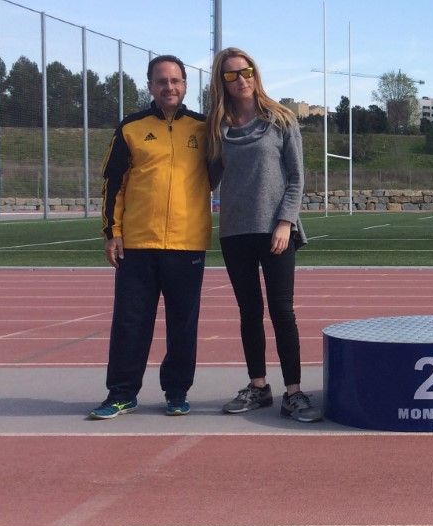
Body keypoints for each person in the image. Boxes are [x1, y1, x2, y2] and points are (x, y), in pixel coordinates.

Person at [88, 55, 211, 419]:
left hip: (187, 242)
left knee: (183, 325)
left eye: (175, 80)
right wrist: (113, 232)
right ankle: (122, 393)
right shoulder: (131, 127)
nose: (169, 87)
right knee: (129, 322)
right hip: (138, 244)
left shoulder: (204, 128)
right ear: (150, 86)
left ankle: (176, 391)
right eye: (161, 81)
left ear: (186, 85)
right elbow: (114, 183)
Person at [207, 46, 321, 423]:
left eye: (247, 71)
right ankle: (258, 387)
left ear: (256, 73)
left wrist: (285, 222)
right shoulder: (217, 128)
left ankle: (294, 392)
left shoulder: (280, 120)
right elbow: (207, 179)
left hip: (276, 231)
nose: (241, 79)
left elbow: (296, 177)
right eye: (231, 75)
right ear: (220, 82)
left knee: (282, 311)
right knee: (249, 312)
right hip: (235, 232)